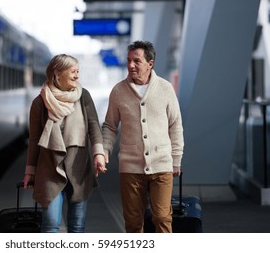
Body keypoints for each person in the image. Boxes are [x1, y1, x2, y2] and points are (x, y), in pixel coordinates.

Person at [102, 40, 184, 233]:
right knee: (132, 222)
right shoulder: (118, 91)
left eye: (136, 61)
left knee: (162, 218)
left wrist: (176, 158)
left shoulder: (165, 89)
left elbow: (175, 125)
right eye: (129, 60)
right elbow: (110, 126)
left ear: (150, 63)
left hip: (162, 164)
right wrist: (104, 151)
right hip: (130, 167)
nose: (131, 65)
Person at [23, 54, 107, 233]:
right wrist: (30, 171)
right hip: (49, 170)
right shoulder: (40, 103)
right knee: (51, 225)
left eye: (78, 71)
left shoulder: (83, 96)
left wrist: (98, 153)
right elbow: (34, 139)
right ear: (57, 74)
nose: (77, 76)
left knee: (77, 227)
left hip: (79, 170)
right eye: (73, 72)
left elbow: (94, 127)